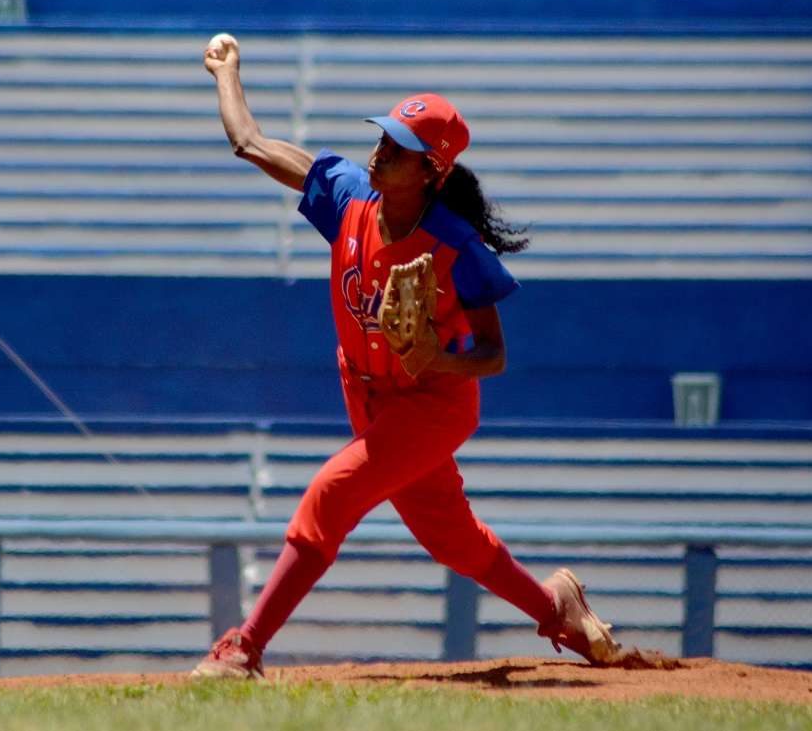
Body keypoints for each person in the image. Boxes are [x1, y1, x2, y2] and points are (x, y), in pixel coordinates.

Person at [191, 36, 619, 680]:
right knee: (450, 538)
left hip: (433, 402)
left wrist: (436, 356)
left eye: (400, 148)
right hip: (365, 390)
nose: (381, 150)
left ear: (430, 172)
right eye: (385, 136)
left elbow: (494, 355)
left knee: (328, 498)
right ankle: (560, 610)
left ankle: (245, 649)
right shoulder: (347, 195)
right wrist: (228, 75)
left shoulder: (456, 246)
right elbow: (250, 143)